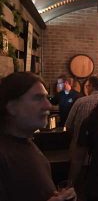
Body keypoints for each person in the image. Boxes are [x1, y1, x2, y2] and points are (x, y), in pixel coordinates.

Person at [0, 72, 76, 201]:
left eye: (46, 98)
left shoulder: (26, 142)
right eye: (38, 98)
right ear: (12, 107)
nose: (48, 105)